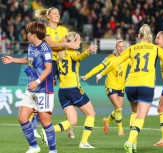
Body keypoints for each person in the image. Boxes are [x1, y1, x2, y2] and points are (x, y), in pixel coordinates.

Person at [96, 24, 163, 153]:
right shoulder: (155, 49)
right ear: (150, 36)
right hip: (146, 85)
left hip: (130, 85)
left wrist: (101, 74)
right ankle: (130, 141)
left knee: (134, 113)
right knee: (140, 117)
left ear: (139, 36)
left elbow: (115, 62)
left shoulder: (132, 48)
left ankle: (133, 145)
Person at [1, 21, 57, 153]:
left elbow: (48, 69)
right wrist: (13, 60)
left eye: (29, 33)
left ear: (35, 34)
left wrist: (37, 81)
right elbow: (29, 60)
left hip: (44, 90)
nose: (27, 34)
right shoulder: (31, 46)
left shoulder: (45, 49)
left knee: (44, 121)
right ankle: (34, 146)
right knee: (22, 118)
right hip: (31, 88)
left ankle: (53, 150)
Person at [43, 31, 98, 149]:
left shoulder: (59, 54)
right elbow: (80, 57)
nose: (80, 42)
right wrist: (88, 51)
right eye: (78, 40)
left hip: (62, 91)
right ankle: (84, 142)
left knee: (72, 121)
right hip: (73, 89)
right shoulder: (72, 53)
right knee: (91, 114)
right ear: (72, 42)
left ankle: (47, 132)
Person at [34, 7, 79, 138]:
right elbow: (51, 45)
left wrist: (73, 44)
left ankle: (69, 125)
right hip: (50, 62)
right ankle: (34, 123)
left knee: (69, 90)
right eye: (54, 13)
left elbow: (70, 41)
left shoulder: (63, 30)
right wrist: (67, 45)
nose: (57, 15)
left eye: (58, 13)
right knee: (44, 92)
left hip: (63, 62)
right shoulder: (45, 30)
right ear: (48, 16)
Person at [82, 40, 130, 136]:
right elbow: (99, 67)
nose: (121, 48)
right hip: (110, 86)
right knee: (119, 108)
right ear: (116, 47)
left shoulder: (127, 59)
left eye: (122, 46)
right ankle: (120, 130)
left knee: (118, 109)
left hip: (121, 86)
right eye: (119, 46)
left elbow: (136, 67)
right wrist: (87, 76)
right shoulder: (110, 58)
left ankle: (107, 121)